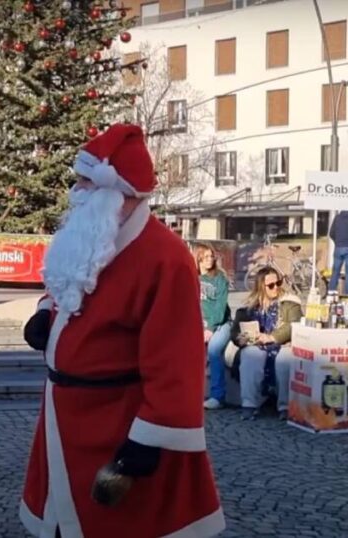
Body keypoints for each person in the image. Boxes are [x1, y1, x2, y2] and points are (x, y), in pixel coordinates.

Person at [19, 124, 223, 537]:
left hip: (116, 420)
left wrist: (146, 443)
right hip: (66, 415)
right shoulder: (95, 235)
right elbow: (67, 279)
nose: (75, 192)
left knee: (119, 525)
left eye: (84, 183)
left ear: (118, 192)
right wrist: (46, 312)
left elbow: (177, 363)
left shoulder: (165, 258)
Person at [231, 266, 301, 421]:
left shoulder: (290, 303)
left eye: (278, 283)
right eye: (270, 285)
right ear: (261, 287)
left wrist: (272, 337)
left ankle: (285, 406)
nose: (276, 287)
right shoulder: (248, 308)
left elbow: (293, 324)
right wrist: (242, 339)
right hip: (256, 345)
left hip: (282, 344)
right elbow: (235, 332)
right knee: (250, 355)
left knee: (285, 359)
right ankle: (249, 405)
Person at [198, 244, 232, 410]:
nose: (210, 260)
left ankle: (218, 396)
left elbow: (220, 308)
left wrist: (210, 328)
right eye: (206, 257)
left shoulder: (220, 279)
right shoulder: (192, 277)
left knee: (213, 349)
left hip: (220, 324)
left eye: (211, 256)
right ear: (198, 259)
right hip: (199, 324)